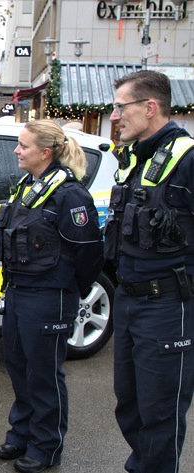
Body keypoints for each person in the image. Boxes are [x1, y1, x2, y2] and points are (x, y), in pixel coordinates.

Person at [0, 119, 103, 473]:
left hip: (49, 296)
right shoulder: (28, 186)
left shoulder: (70, 195)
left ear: (45, 152)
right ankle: (21, 434)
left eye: (22, 146)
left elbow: (89, 254)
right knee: (19, 368)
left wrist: (70, 291)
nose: (16, 151)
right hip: (19, 291)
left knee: (44, 375)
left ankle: (46, 446)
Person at [103, 70, 194, 473]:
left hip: (168, 303)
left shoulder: (188, 158)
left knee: (160, 408)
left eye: (121, 106)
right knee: (130, 400)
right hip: (129, 299)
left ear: (150, 107)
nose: (116, 115)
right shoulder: (134, 158)